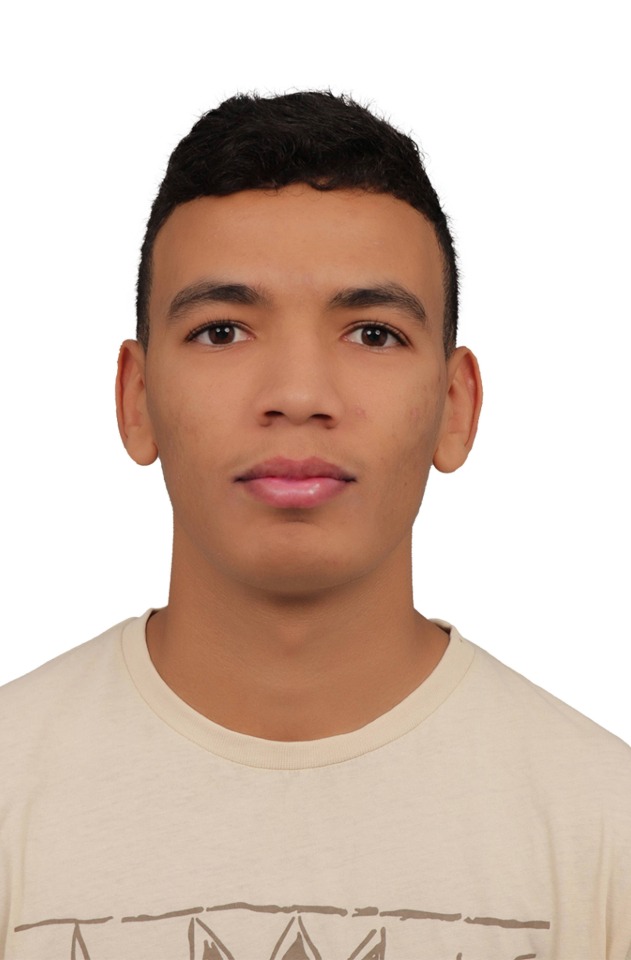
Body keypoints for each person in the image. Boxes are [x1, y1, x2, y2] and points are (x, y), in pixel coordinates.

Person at [1, 90, 629, 960]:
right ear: (135, 399)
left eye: (371, 334)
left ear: (454, 407)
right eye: (223, 331)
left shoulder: (605, 828)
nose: (298, 395)